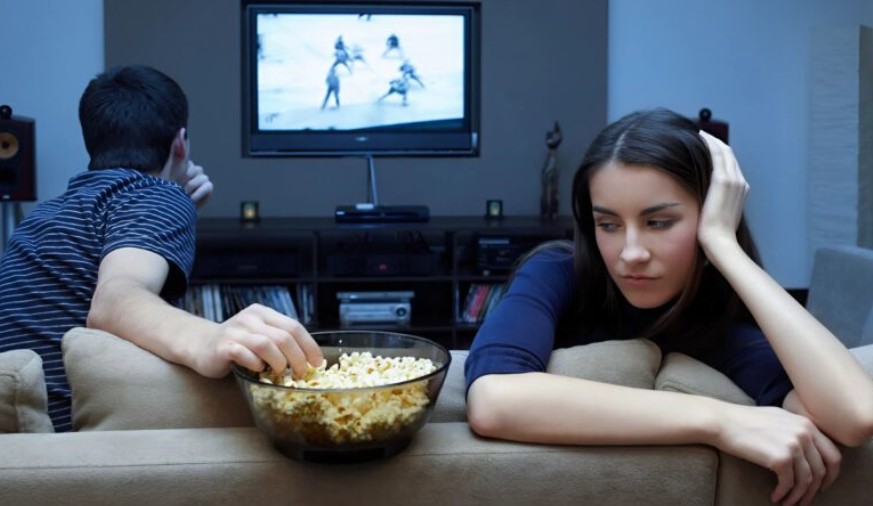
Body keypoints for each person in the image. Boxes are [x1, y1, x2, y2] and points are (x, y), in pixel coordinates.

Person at [464, 108, 873, 506]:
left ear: (712, 216)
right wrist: (721, 420)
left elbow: (855, 414)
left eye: (658, 223)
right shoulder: (557, 271)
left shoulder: (721, 333)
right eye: (608, 224)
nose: (631, 253)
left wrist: (724, 245)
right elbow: (493, 398)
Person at [0, 65, 323, 432]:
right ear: (180, 142)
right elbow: (114, 302)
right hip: (74, 437)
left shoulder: (41, 216)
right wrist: (211, 338)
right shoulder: (159, 196)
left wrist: (178, 203)